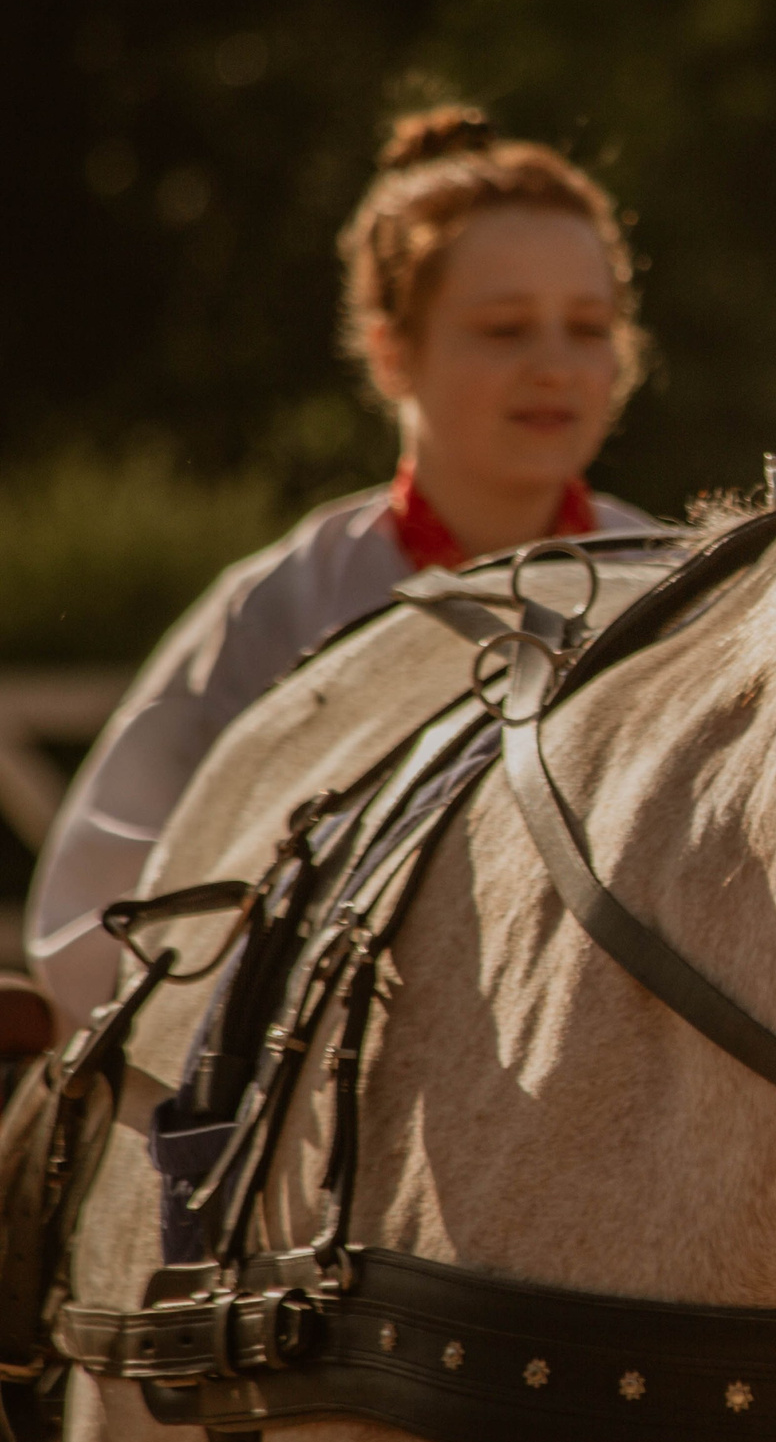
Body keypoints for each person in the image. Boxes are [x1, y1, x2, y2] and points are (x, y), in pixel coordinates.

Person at [27, 107, 659, 1030]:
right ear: (393, 350)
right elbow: (100, 910)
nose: (556, 366)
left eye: (589, 327)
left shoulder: (674, 590)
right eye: (505, 328)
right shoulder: (285, 606)